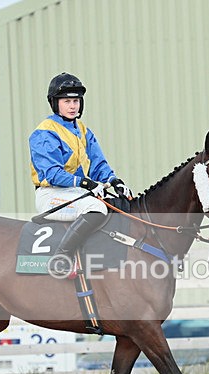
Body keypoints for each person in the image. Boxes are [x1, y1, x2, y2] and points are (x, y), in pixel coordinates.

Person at [30, 72, 132, 273]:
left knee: (116, 205)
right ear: (55, 103)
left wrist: (114, 181)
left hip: (76, 193)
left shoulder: (83, 130)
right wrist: (85, 183)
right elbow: (51, 173)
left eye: (76, 101)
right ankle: (61, 257)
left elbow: (98, 164)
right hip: (51, 195)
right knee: (96, 208)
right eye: (67, 101)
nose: (72, 106)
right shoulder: (44, 132)